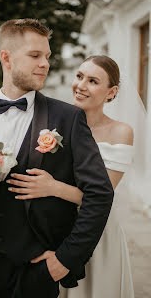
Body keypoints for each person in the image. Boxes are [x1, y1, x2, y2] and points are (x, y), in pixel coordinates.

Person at [0, 20, 114, 298]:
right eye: (35, 55)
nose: (45, 64)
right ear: (6, 58)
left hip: (38, 272)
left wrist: (65, 259)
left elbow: (100, 194)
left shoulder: (68, 118)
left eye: (47, 56)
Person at [8, 55, 135, 298]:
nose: (81, 85)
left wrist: (52, 187)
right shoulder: (57, 123)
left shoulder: (121, 132)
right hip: (56, 226)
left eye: (93, 81)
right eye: (79, 77)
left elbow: (101, 195)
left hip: (97, 228)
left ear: (111, 92)